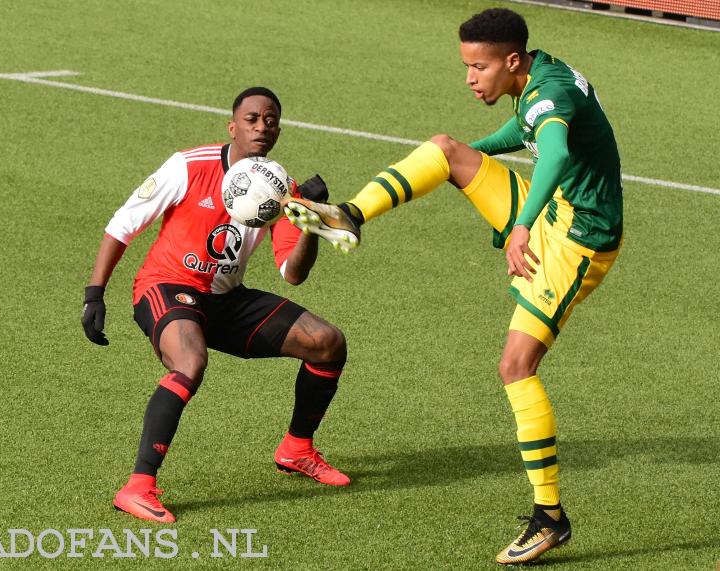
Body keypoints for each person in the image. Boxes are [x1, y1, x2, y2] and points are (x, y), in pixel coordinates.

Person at [285, 8, 622, 565]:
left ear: (510, 62)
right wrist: (475, 156)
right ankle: (348, 215)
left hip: (578, 241)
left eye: (478, 67)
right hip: (555, 213)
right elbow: (530, 133)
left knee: (516, 367)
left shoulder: (549, 95)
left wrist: (519, 227)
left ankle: (550, 518)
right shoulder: (540, 75)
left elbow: (555, 152)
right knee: (445, 149)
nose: (469, 77)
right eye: (466, 65)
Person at [81, 87, 351, 524]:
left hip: (225, 299)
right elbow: (123, 224)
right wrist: (95, 293)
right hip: (166, 287)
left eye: (271, 120)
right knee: (190, 359)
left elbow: (293, 273)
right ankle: (137, 486)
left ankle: (297, 449)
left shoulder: (284, 190)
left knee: (326, 342)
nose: (262, 126)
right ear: (233, 126)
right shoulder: (189, 165)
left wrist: (309, 223)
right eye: (252, 119)